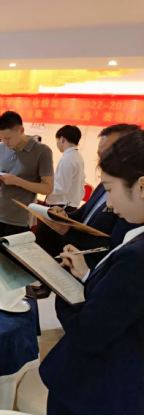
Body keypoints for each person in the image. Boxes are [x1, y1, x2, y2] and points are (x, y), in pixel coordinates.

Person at [40, 130, 144, 415]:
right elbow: (121, 306)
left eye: (110, 189)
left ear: (141, 186)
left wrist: (62, 287)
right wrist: (87, 276)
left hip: (96, 390)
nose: (108, 203)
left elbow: (89, 333)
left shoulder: (136, 257)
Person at [36, 124, 140, 269]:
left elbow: (114, 246)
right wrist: (64, 217)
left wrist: (67, 230)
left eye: (110, 155)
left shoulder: (135, 205)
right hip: (76, 260)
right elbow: (86, 212)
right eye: (101, 156)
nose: (103, 163)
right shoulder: (104, 183)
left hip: (94, 267)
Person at [0, 111, 54, 252]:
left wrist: (18, 181)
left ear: (21, 130)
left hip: (19, 218)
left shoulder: (42, 151)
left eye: (8, 138)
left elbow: (47, 188)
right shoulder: (1, 148)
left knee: (11, 261)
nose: (5, 142)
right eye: (2, 138)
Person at [45, 125, 85, 212]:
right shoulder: (77, 157)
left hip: (61, 206)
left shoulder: (67, 159)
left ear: (62, 139)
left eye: (57, 140)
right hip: (70, 204)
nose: (57, 143)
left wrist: (44, 188)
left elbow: (61, 187)